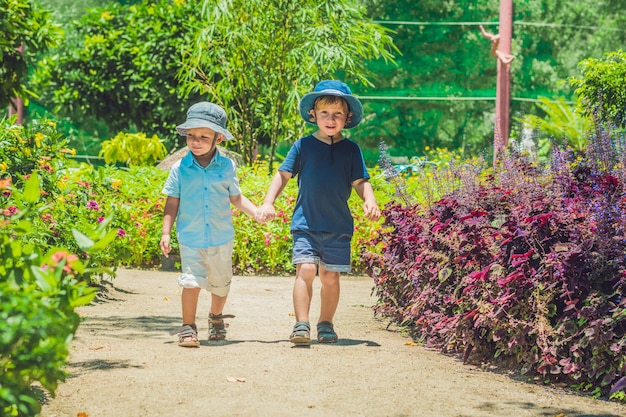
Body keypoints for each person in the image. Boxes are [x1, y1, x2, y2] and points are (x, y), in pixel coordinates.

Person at [256, 80, 381, 346]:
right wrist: (268, 202)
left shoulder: (352, 150)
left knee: (330, 276)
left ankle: (325, 323)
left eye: (337, 114)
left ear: (347, 117)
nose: (331, 119)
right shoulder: (303, 146)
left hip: (338, 226)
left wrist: (370, 199)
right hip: (306, 223)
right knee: (306, 270)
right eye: (325, 113)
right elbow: (282, 175)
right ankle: (301, 325)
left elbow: (361, 182)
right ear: (313, 114)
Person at [160, 101, 258, 347]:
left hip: (220, 237)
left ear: (219, 138)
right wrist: (166, 233)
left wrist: (256, 212)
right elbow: (172, 203)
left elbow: (235, 197)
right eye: (191, 135)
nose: (196, 141)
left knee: (220, 284)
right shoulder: (179, 168)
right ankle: (187, 327)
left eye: (204, 136)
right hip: (190, 236)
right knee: (191, 282)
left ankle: (216, 319)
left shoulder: (227, 166)